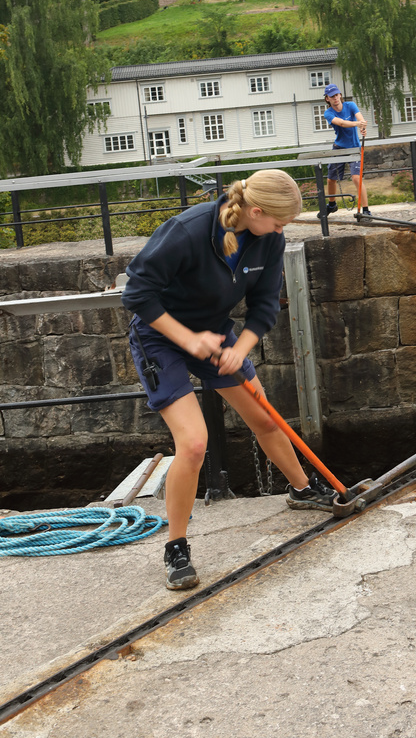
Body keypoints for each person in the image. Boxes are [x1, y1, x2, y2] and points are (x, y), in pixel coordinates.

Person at [121, 168, 337, 591]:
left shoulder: (268, 239)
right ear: (254, 211)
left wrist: (241, 349)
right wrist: (188, 339)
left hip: (217, 336)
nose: (281, 231)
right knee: (194, 443)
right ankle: (176, 547)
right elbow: (137, 293)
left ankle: (302, 490)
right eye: (278, 222)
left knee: (266, 418)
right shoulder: (187, 231)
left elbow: (263, 305)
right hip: (160, 338)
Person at [319, 83, 371, 218]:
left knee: (356, 178)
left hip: (354, 147)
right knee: (331, 179)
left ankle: (365, 210)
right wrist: (357, 124)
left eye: (337, 95)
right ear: (327, 99)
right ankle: (332, 205)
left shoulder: (350, 105)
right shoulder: (328, 113)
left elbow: (360, 118)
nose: (335, 98)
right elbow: (341, 123)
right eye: (332, 96)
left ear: (340, 95)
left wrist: (362, 125)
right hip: (339, 147)